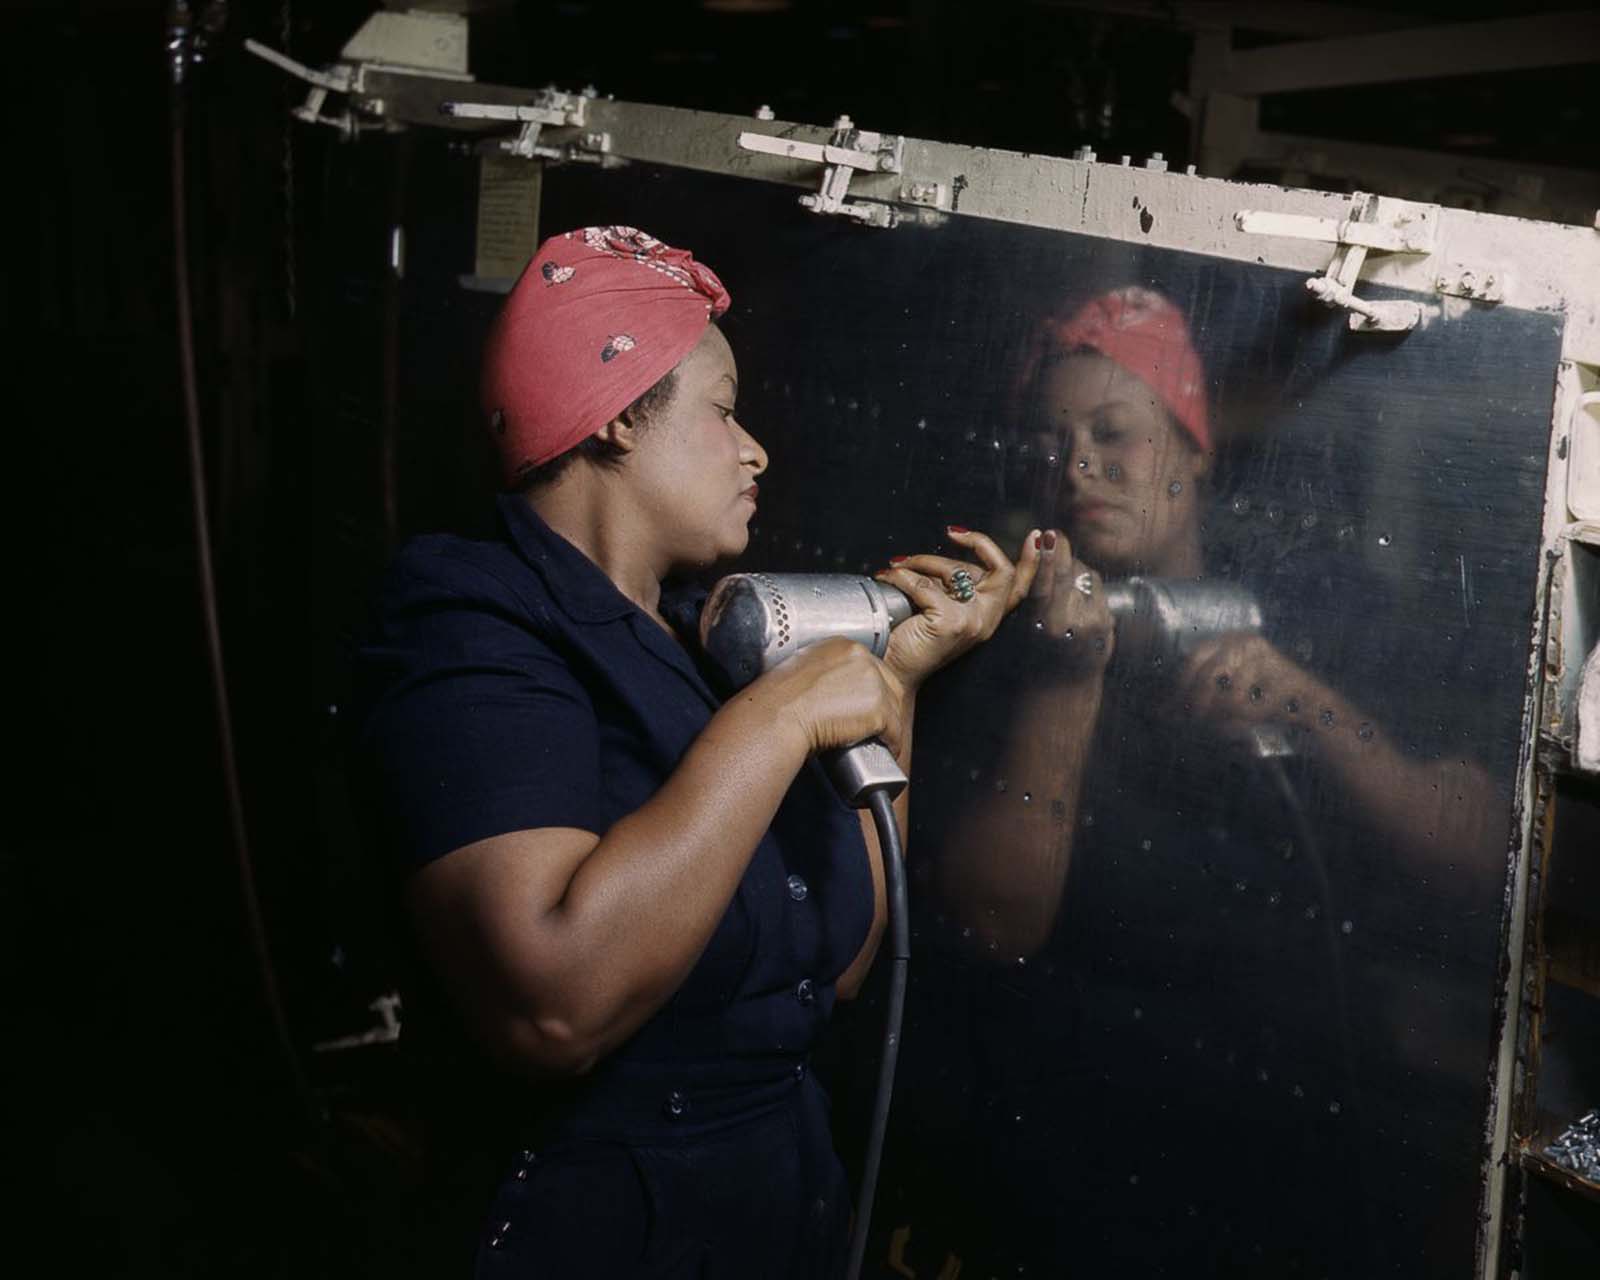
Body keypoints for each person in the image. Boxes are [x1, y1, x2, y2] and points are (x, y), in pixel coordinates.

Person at [350, 225, 1040, 1278]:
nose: (754, 447)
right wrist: (776, 719)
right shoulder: (469, 620)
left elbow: (841, 967)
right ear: (621, 414)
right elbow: (550, 1004)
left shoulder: (694, 640)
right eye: (722, 410)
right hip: (594, 1227)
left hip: (774, 1195)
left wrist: (893, 676)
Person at [900, 285, 1501, 1273]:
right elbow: (990, 921)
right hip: (1077, 1164)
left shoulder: (1321, 599)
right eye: (1050, 442)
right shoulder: (995, 641)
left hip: (1305, 1148)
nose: (1079, 465)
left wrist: (1312, 709)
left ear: (1192, 446)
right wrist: (1066, 675)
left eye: (1114, 432)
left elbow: (1482, 861)